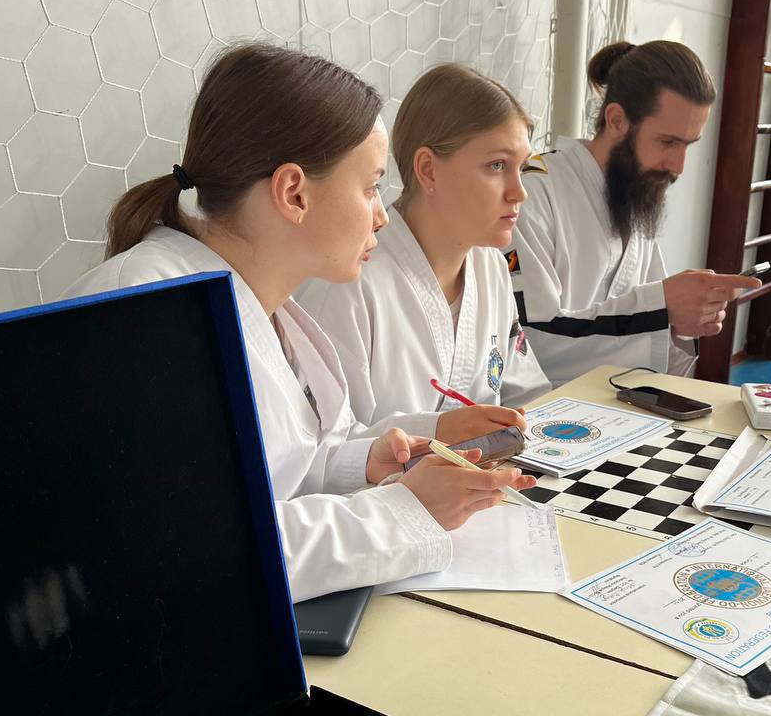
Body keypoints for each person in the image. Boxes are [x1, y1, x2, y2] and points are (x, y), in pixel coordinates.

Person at [63, 43, 535, 600]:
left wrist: (365, 461)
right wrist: (404, 512)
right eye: (369, 187)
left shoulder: (268, 311)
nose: (382, 215)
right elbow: (189, 550)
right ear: (294, 193)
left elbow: (281, 472)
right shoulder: (148, 312)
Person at [298, 64, 550, 435]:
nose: (519, 192)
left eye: (522, 168)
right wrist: (440, 432)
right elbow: (325, 449)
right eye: (497, 165)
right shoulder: (346, 284)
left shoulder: (492, 268)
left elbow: (525, 396)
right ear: (429, 169)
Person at [509, 40, 761, 387]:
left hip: (612, 406)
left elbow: (654, 338)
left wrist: (682, 322)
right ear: (616, 120)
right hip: (538, 412)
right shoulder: (532, 195)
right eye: (668, 142)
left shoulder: (632, 193)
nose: (679, 167)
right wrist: (661, 307)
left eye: (688, 145)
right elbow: (528, 345)